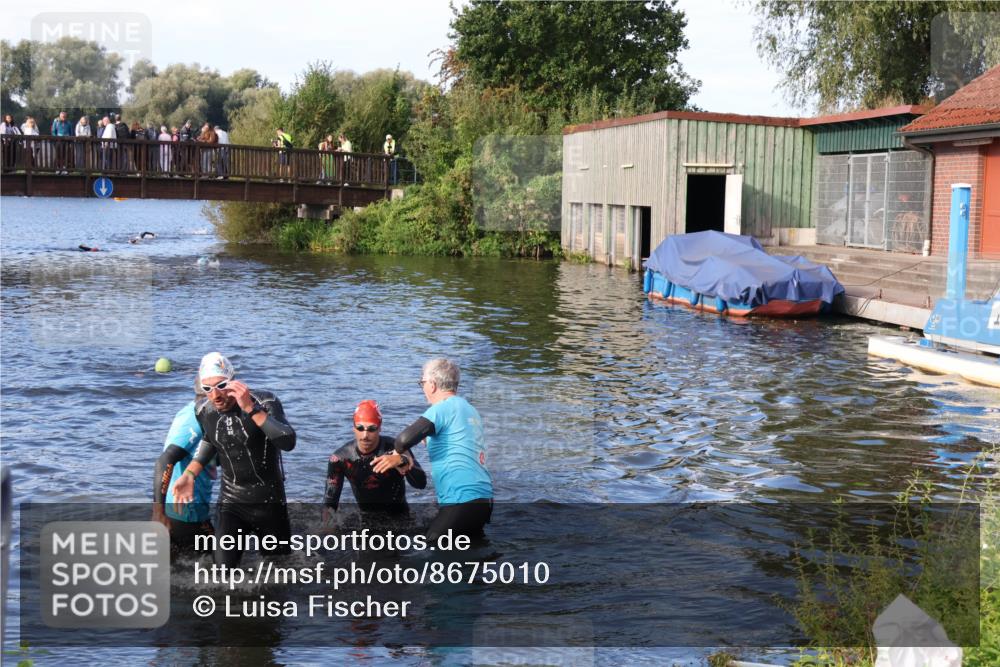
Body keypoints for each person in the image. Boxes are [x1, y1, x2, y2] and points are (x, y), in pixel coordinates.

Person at [172, 352, 296, 567]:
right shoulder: (205, 410)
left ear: (233, 381)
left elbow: (288, 441)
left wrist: (251, 409)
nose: (215, 395)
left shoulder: (265, 401)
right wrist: (190, 474)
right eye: (207, 388)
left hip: (269, 503)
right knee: (221, 573)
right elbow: (211, 441)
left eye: (221, 386)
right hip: (231, 503)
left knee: (280, 574)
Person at [373, 358, 493, 541]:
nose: (422, 388)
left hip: (461, 500)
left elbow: (402, 441)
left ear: (433, 384)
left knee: (432, 549)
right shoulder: (470, 410)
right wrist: (428, 440)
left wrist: (399, 455)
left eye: (422, 383)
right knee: (469, 558)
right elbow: (458, 443)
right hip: (484, 500)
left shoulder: (441, 408)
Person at [324, 400, 426, 523]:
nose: (365, 435)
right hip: (366, 521)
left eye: (371, 429)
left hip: (401, 519)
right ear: (353, 428)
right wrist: (327, 527)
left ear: (379, 428)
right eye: (360, 428)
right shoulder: (340, 459)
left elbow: (421, 484)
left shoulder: (396, 448)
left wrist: (402, 460)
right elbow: (330, 501)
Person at [152, 377, 216, 557]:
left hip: (186, 511)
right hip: (185, 511)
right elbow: (164, 461)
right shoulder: (194, 417)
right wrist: (158, 512)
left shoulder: (201, 414)